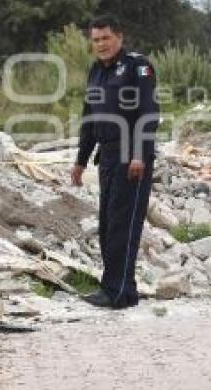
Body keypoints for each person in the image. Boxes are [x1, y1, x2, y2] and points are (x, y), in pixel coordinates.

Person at [71, 16, 159, 309]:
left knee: (124, 227)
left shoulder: (137, 67)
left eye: (106, 38)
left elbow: (148, 112)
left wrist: (139, 154)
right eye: (96, 40)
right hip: (107, 157)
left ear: (119, 37)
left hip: (130, 158)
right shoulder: (96, 71)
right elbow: (90, 118)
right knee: (108, 226)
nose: (101, 45)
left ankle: (117, 293)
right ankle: (122, 290)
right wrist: (81, 160)